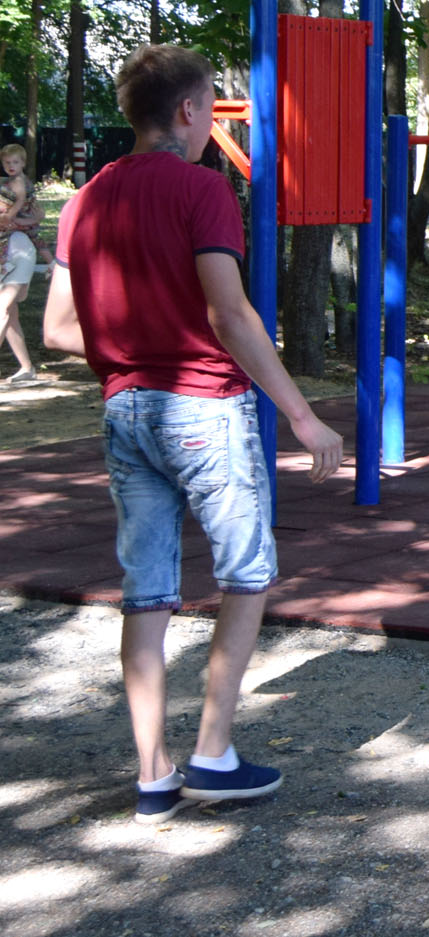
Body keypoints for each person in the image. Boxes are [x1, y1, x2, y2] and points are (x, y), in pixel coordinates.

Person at [41, 45, 344, 825]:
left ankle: (153, 774)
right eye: (212, 106)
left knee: (147, 591)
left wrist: (131, 343)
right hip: (203, 406)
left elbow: (57, 330)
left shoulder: (84, 201)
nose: (213, 121)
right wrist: (301, 414)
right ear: (187, 111)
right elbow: (228, 313)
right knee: (247, 574)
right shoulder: (203, 190)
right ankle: (213, 752)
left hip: (124, 410)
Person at [0, 143, 41, 385]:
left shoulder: (20, 187)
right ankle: (27, 367)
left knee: (3, 306)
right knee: (11, 313)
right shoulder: (5, 186)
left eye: (14, 162)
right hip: (6, 251)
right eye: (7, 163)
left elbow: (26, 217)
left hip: (20, 250)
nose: (11, 167)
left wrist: (25, 219)